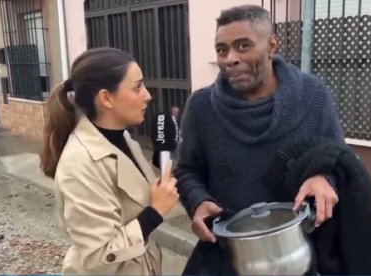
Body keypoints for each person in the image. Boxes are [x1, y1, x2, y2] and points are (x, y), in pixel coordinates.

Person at [174, 5, 344, 275]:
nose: (230, 58)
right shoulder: (202, 108)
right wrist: (197, 201)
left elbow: (338, 160)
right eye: (222, 50)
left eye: (243, 46)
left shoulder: (313, 97)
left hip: (297, 253)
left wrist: (323, 177)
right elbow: (185, 170)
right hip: (226, 257)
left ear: (271, 45)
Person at [40, 47, 178, 275]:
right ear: (106, 98)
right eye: (137, 87)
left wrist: (164, 164)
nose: (148, 95)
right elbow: (99, 256)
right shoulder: (80, 164)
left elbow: (131, 198)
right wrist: (155, 212)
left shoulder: (122, 137)